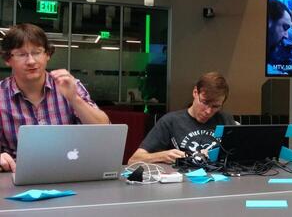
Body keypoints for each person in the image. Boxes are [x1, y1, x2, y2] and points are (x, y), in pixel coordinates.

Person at [0, 23, 109, 172]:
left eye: (37, 52)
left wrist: (74, 99)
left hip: (70, 172)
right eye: (21, 54)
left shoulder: (69, 85)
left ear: (47, 55)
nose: (31, 61)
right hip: (16, 174)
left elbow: (105, 130)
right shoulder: (2, 94)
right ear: (8, 59)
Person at [128, 72, 235, 164]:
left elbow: (239, 157)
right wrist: (163, 156)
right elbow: (133, 160)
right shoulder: (171, 121)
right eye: (205, 102)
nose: (208, 111)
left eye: (215, 106)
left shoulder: (225, 120)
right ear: (195, 92)